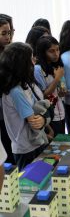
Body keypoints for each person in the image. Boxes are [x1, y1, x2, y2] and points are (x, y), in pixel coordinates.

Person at [0, 42, 49, 170]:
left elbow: (40, 109)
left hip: (34, 143)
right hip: (26, 148)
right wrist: (44, 117)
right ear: (22, 64)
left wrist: (44, 118)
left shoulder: (24, 85)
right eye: (31, 58)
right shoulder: (15, 91)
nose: (34, 61)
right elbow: (33, 121)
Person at [34, 35, 66, 136]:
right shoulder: (38, 69)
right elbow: (43, 95)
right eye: (51, 51)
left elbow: (60, 93)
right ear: (43, 52)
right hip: (49, 115)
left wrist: (63, 90)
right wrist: (57, 78)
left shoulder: (56, 65)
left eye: (57, 50)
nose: (56, 54)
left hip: (61, 112)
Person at [0, 18, 14, 164]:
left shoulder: (10, 53)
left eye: (9, 32)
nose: (8, 37)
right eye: (4, 33)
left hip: (11, 109)